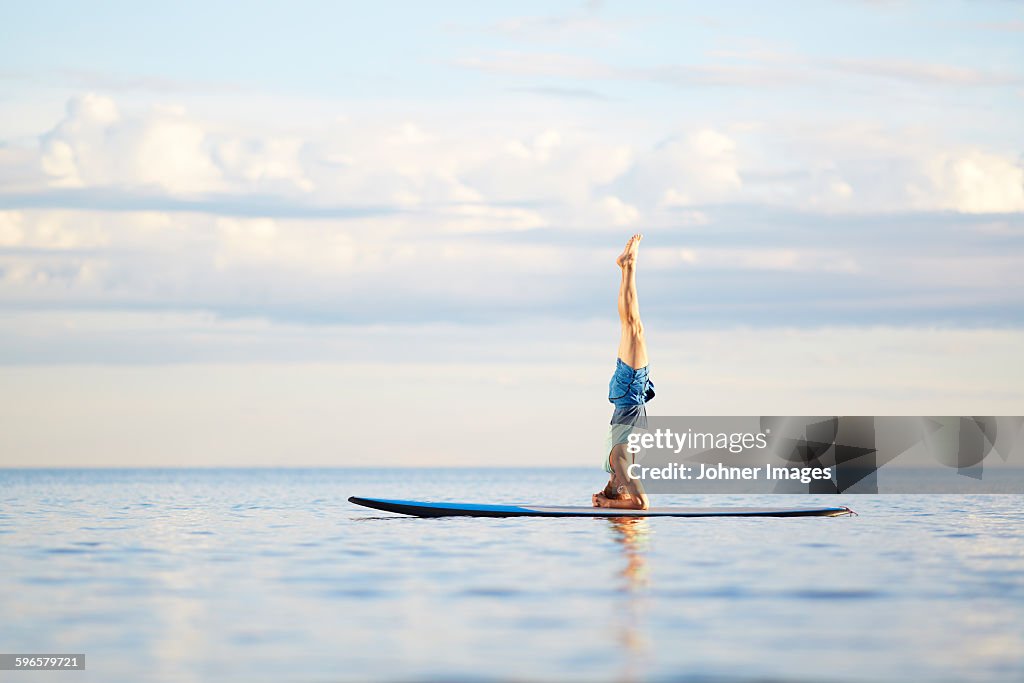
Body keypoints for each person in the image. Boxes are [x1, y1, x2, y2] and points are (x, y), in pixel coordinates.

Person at [593, 234, 653, 510]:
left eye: (622, 487)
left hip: (630, 395)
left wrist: (607, 504)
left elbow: (641, 504)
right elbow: (632, 499)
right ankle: (627, 267)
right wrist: (608, 501)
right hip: (627, 396)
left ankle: (628, 266)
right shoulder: (617, 462)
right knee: (631, 326)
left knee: (633, 325)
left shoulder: (618, 461)